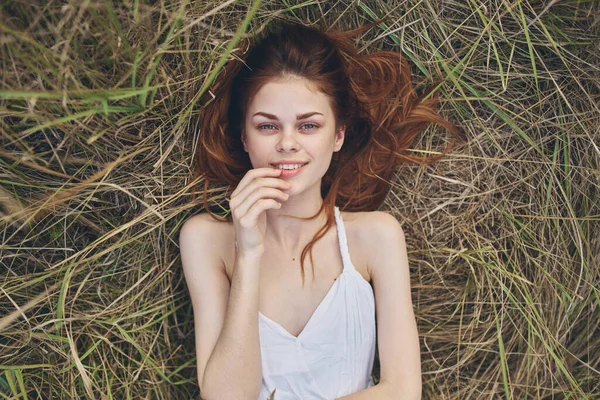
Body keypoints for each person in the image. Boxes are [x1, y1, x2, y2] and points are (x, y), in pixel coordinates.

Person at [179, 19, 465, 400]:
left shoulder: (376, 237)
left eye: (308, 126)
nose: (287, 143)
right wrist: (247, 253)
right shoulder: (206, 240)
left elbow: (402, 389)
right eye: (267, 127)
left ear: (339, 135)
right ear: (244, 136)